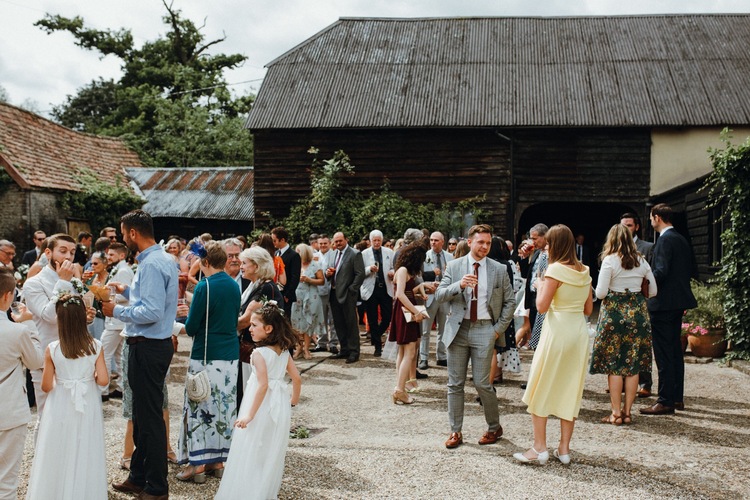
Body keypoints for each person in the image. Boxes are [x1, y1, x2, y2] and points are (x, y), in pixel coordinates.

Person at [104, 210, 178, 500]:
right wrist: (128, 290)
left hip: (147, 346)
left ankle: (157, 487)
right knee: (141, 414)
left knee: (149, 419)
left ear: (133, 233)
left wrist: (116, 310)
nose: (123, 238)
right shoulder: (163, 259)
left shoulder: (150, 265)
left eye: (123, 234)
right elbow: (151, 299)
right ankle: (138, 476)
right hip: (152, 344)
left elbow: (152, 311)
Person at [514, 224, 593, 466]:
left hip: (557, 330)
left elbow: (541, 307)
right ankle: (564, 449)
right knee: (570, 389)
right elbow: (589, 309)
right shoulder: (585, 270)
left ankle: (539, 448)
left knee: (541, 385)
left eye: (548, 243)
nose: (545, 246)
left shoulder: (554, 270)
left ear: (556, 244)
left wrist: (539, 288)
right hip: (578, 333)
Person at [435, 224, 515, 449]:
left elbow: (510, 301)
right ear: (469, 242)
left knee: (482, 383)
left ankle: (494, 427)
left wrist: (497, 329)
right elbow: (440, 295)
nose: (485, 247)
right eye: (481, 242)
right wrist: (459, 285)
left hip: (484, 329)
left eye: (488, 243)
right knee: (455, 384)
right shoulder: (454, 265)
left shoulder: (498, 269)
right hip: (458, 330)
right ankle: (455, 431)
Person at [26, 294, 109, 499]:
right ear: (83, 317)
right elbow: (104, 381)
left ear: (60, 321)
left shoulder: (53, 349)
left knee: (58, 447)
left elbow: (46, 386)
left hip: (60, 403)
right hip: (87, 402)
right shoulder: (96, 346)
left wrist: (63, 381)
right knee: (85, 445)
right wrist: (87, 378)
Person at [215, 304, 301, 500]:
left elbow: (262, 386)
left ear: (268, 329)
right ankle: (264, 491)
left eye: (254, 325)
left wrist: (249, 415)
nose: (249, 329)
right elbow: (297, 379)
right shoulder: (284, 352)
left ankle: (249, 492)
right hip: (279, 403)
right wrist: (292, 402)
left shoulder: (259, 354)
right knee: (269, 450)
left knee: (252, 447)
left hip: (260, 406)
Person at [176, 241, 240, 483]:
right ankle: (218, 460)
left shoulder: (204, 287)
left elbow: (192, 327)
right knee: (224, 407)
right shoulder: (234, 285)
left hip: (206, 354)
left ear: (204, 262)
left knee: (200, 406)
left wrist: (181, 320)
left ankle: (198, 465)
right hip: (229, 355)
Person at [590, 224, 657, 425]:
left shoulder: (609, 261)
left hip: (614, 314)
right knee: (633, 365)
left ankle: (616, 413)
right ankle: (628, 413)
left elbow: (601, 293)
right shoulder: (642, 261)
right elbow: (653, 291)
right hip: (637, 314)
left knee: (615, 365)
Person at [641, 203, 697, 416]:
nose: (651, 221)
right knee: (674, 351)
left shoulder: (664, 240)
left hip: (663, 304)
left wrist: (644, 281)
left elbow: (661, 271)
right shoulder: (681, 238)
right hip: (677, 302)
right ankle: (676, 397)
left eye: (652, 218)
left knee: (664, 353)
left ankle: (665, 401)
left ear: (657, 217)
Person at [23, 233, 80, 415]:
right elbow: (49, 316)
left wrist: (87, 316)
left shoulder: (75, 282)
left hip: (73, 354)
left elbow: (79, 315)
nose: (68, 257)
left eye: (72, 252)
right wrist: (63, 281)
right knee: (47, 415)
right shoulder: (33, 283)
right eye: (62, 251)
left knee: (70, 413)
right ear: (48, 253)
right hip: (47, 356)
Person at [0, 268, 43, 499]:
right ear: (8, 296)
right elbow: (36, 361)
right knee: (6, 480)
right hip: (9, 409)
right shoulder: (17, 331)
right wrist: (29, 324)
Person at [237, 247, 283, 395]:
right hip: (254, 348)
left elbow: (245, 321)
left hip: (257, 349)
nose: (241, 267)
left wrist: (217, 324)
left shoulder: (265, 288)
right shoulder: (258, 286)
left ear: (256, 266)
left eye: (244, 263)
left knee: (251, 393)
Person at [389, 239, 429, 403]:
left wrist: (420, 291)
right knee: (410, 351)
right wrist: (415, 312)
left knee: (403, 351)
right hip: (405, 311)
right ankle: (399, 389)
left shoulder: (402, 270)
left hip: (404, 309)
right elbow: (400, 294)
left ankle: (401, 386)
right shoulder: (404, 270)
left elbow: (406, 291)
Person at [620, 212, 655, 398]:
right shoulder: (614, 248)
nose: (626, 229)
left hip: (640, 301)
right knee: (621, 342)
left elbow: (652, 276)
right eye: (623, 226)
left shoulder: (647, 248)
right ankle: (622, 381)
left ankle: (644, 382)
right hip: (619, 302)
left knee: (641, 343)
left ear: (637, 227)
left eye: (630, 225)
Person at [99, 242, 133, 400]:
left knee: (104, 353)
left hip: (117, 321)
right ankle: (121, 387)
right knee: (120, 356)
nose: (108, 257)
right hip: (118, 321)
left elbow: (128, 295)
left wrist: (105, 296)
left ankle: (102, 390)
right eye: (108, 254)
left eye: (111, 254)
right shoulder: (119, 269)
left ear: (122, 255)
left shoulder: (124, 270)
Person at [326, 232, 366, 364]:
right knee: (339, 323)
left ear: (346, 240)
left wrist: (352, 289)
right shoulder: (333, 254)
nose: (338, 243)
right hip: (333, 293)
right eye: (336, 241)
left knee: (350, 323)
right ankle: (344, 349)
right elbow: (331, 271)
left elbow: (359, 274)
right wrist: (328, 274)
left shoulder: (355, 254)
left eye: (340, 241)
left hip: (348, 294)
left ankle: (354, 351)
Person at [419, 231, 452, 369]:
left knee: (443, 328)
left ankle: (441, 356)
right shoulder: (424, 256)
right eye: (431, 240)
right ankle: (424, 357)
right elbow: (420, 276)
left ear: (442, 242)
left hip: (444, 295)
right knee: (425, 330)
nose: (433, 243)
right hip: (430, 295)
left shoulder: (449, 257)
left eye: (436, 240)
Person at [360, 230, 395, 358]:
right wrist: (369, 269)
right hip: (370, 289)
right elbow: (359, 272)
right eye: (374, 240)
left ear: (381, 240)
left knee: (387, 317)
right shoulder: (364, 254)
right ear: (370, 241)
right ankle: (377, 347)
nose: (376, 242)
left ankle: (376, 336)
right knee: (372, 318)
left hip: (385, 287)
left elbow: (393, 267)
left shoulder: (389, 252)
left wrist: (392, 272)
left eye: (379, 240)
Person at [291, 243, 325, 359]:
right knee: (296, 322)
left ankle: (306, 348)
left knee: (309, 322)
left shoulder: (315, 265)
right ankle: (299, 346)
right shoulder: (295, 264)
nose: (296, 253)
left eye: (298, 251)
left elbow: (322, 281)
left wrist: (309, 279)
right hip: (297, 296)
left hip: (311, 296)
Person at [312, 234, 339, 354]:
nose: (322, 246)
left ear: (329, 243)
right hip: (318, 291)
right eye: (320, 243)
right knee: (321, 318)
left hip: (333, 290)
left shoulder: (335, 255)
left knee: (333, 318)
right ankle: (321, 342)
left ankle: (333, 343)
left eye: (325, 243)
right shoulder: (314, 256)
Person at [271, 227, 301, 318]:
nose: (273, 243)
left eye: (275, 240)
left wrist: (288, 294)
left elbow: (295, 277)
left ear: (282, 240)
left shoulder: (294, 255)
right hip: (276, 292)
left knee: (285, 319)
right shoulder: (276, 253)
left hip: (286, 294)